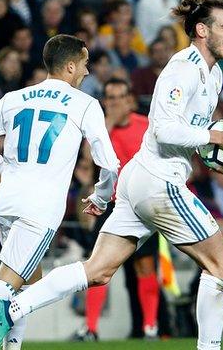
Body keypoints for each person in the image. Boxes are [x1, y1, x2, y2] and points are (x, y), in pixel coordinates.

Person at [0, 0, 223, 350]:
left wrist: (215, 155)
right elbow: (164, 128)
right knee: (222, 263)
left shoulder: (213, 73)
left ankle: (10, 308)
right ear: (202, 30)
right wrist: (215, 136)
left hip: (140, 179)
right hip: (159, 180)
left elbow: (185, 130)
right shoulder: (184, 68)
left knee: (97, 270)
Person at [0, 34, 120, 350]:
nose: (87, 72)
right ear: (71, 66)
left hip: (7, 200)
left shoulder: (15, 98)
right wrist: (101, 197)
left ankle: (12, 347)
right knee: (7, 285)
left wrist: (4, 166)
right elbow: (110, 164)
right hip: (40, 206)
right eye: (85, 65)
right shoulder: (85, 104)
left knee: (27, 280)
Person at [75, 78, 161, 340]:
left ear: (129, 99)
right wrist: (108, 124)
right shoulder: (100, 128)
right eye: (109, 98)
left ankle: (150, 327)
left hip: (142, 205)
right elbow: (88, 160)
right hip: (111, 205)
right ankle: (91, 328)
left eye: (119, 97)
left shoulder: (146, 125)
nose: (114, 102)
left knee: (145, 267)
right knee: (99, 268)